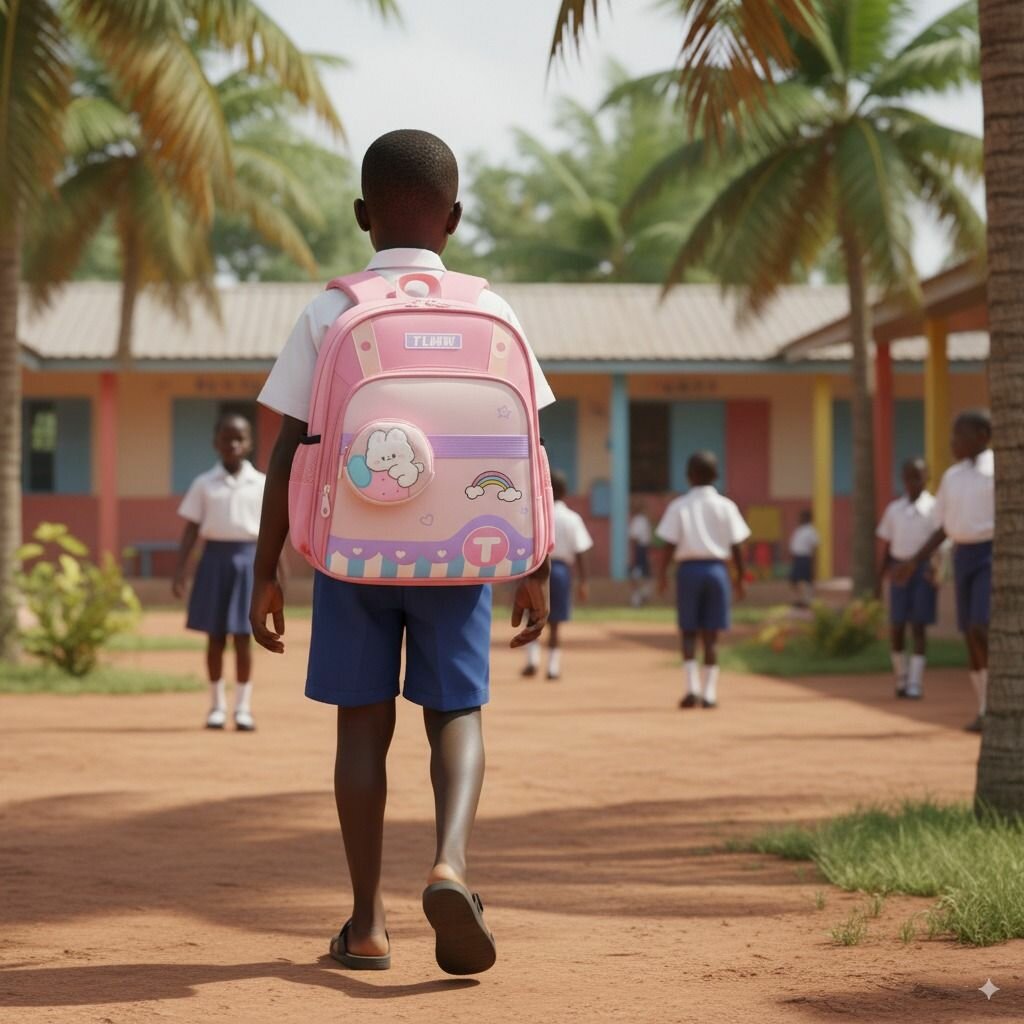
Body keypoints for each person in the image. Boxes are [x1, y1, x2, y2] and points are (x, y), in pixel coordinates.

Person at [250, 130, 554, 975]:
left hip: (351, 557)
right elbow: (525, 442)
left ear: (361, 216)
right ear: (455, 219)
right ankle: (451, 862)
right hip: (463, 555)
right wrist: (535, 563)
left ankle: (367, 922)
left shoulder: (331, 310)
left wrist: (264, 566)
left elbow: (286, 448)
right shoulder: (494, 313)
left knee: (362, 728)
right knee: (456, 713)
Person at [896, 411, 993, 732]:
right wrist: (916, 561)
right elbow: (942, 528)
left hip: (991, 554)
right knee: (969, 634)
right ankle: (983, 708)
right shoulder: (952, 477)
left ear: (981, 435)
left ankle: (998, 701)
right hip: (963, 555)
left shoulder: (998, 469)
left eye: (958, 435)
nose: (952, 442)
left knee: (981, 626)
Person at [173, 413, 266, 732]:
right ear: (216, 442)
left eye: (240, 438)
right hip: (213, 561)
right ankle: (216, 706)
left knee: (243, 637)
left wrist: (276, 576)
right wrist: (180, 571)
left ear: (250, 443)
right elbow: (191, 529)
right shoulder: (204, 484)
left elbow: (271, 536)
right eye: (227, 438)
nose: (233, 444)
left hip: (248, 563)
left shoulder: (262, 484)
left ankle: (242, 708)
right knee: (215, 637)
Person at [656, 452, 750, 710]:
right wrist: (740, 578)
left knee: (689, 631)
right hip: (717, 572)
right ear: (717, 476)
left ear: (688, 476)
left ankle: (691, 690)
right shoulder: (726, 506)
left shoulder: (679, 506)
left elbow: (668, 545)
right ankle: (709, 694)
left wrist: (662, 576)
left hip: (689, 572)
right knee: (712, 635)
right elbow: (738, 546)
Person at [875, 459, 939, 700]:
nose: (914, 482)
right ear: (902, 479)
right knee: (897, 626)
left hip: (922, 571)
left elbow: (941, 543)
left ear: (927, 478)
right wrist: (879, 580)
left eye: (919, 477)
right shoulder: (894, 510)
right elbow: (888, 548)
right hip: (898, 571)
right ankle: (900, 677)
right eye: (910, 477)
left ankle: (915, 681)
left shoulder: (934, 508)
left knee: (919, 626)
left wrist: (936, 570)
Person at [522, 471, 592, 680]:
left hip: (537, 569)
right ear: (566, 491)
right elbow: (580, 552)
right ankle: (552, 668)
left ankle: (532, 661)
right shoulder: (572, 518)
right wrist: (584, 581)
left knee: (533, 616)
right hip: (560, 572)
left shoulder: (535, 513)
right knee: (555, 621)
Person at [788, 509, 819, 608]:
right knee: (793, 580)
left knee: (807, 580)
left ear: (808, 518)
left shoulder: (811, 530)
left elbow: (815, 546)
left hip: (805, 557)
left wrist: (814, 560)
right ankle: (799, 599)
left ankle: (808, 601)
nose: (800, 519)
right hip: (797, 558)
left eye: (803, 517)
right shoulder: (799, 530)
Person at [628, 497, 653, 607]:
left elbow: (635, 538)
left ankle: (640, 597)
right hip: (642, 550)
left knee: (637, 575)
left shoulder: (639, 520)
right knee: (642, 575)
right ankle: (639, 597)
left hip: (640, 550)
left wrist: (634, 555)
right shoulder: (642, 520)